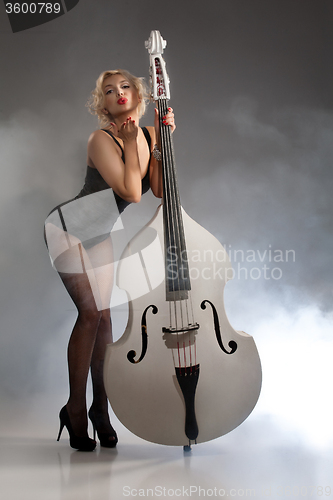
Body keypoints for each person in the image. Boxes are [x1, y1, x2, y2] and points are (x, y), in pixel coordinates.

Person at [44, 69, 175, 451]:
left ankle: (101, 408)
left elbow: (159, 190)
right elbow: (132, 193)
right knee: (89, 313)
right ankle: (74, 410)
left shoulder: (148, 135)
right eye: (109, 91)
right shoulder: (100, 139)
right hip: (67, 228)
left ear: (139, 94)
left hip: (100, 233)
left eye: (125, 87)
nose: (118, 93)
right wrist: (135, 142)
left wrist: (163, 139)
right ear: (102, 104)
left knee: (106, 319)